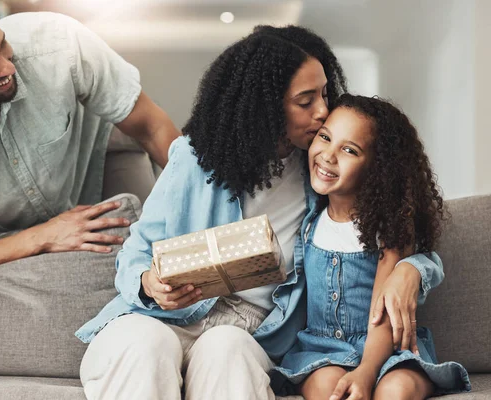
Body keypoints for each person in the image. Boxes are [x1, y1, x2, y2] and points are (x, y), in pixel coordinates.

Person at [75, 25, 444, 400]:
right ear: (266, 106)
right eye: (305, 101)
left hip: (249, 329)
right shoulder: (193, 157)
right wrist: (148, 284)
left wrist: (411, 269)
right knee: (145, 345)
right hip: (161, 318)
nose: (323, 111)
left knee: (227, 352)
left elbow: (394, 222)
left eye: (324, 94)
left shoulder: (323, 171)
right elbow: (136, 252)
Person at [0, 0, 180, 276]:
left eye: (1, 44)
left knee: (153, 251)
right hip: (3, 218)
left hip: (100, 155)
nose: (7, 68)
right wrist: (43, 237)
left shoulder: (59, 43)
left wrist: (206, 200)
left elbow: (151, 127)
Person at [271, 94, 470, 399]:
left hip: (386, 350)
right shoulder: (309, 220)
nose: (328, 155)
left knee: (396, 388)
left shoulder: (388, 229)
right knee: (328, 387)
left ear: (377, 169)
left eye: (349, 150)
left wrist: (366, 371)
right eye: (325, 137)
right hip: (322, 350)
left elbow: (383, 312)